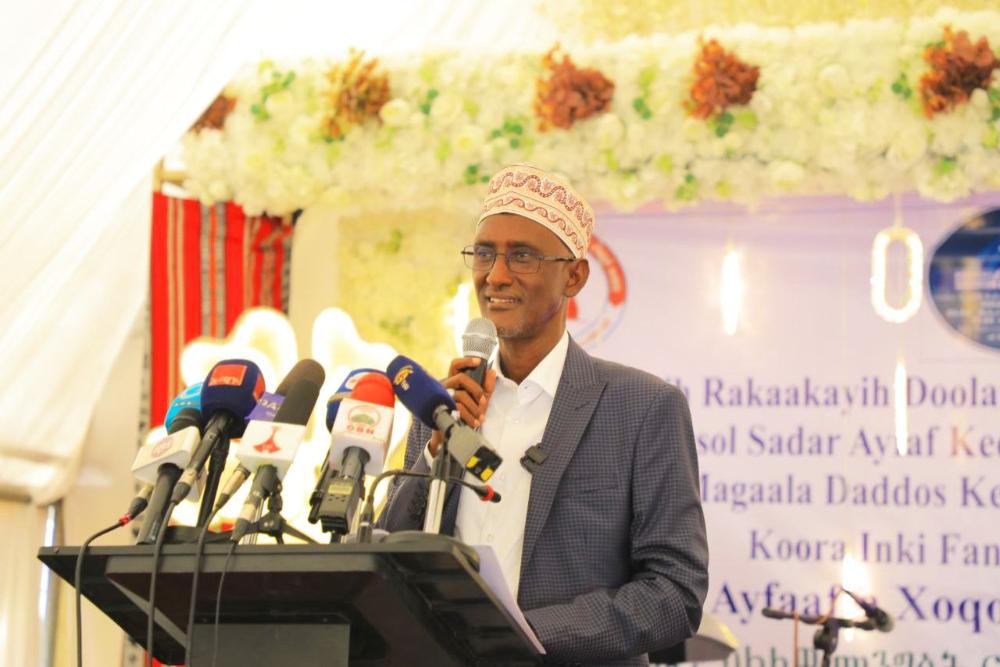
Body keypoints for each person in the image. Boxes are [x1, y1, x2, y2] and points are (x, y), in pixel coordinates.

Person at [380, 163, 708, 665]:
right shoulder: (444, 405)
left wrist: (521, 635)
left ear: (574, 276)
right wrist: (434, 452)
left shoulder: (643, 407)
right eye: (484, 253)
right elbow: (390, 553)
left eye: (523, 256)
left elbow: (674, 591)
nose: (496, 275)